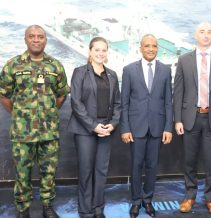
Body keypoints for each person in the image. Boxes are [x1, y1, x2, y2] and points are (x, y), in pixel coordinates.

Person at [0, 25, 70, 218]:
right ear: (26, 39)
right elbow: (4, 95)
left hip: (49, 132)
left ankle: (47, 206)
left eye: (40, 36)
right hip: (23, 134)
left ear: (45, 40)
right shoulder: (13, 65)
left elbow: (62, 94)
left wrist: (48, 112)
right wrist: (20, 115)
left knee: (49, 172)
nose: (36, 40)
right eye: (32, 36)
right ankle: (23, 209)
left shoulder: (55, 66)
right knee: (23, 173)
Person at [173, 21, 211, 217]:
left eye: (209, 32)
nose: (206, 35)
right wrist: (178, 120)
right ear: (195, 35)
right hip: (190, 118)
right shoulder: (184, 60)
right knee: (189, 161)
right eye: (202, 32)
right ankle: (189, 196)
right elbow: (178, 91)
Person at [120, 34, 173, 218]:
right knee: (136, 165)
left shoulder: (165, 70)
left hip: (158, 127)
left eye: (154, 46)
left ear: (157, 48)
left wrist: (168, 127)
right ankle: (136, 201)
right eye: (147, 46)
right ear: (140, 48)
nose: (151, 49)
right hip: (136, 128)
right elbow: (124, 102)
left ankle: (148, 200)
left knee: (152, 165)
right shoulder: (129, 70)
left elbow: (168, 102)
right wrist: (125, 128)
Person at [67, 37, 121, 218]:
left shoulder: (112, 75)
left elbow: (118, 104)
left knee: (101, 170)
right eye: (97, 50)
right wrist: (93, 126)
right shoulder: (80, 72)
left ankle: (98, 208)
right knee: (86, 170)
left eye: (103, 50)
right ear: (90, 51)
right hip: (85, 130)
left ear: (107, 53)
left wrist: (112, 125)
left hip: (106, 129)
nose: (100, 53)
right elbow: (76, 103)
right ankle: (85, 210)